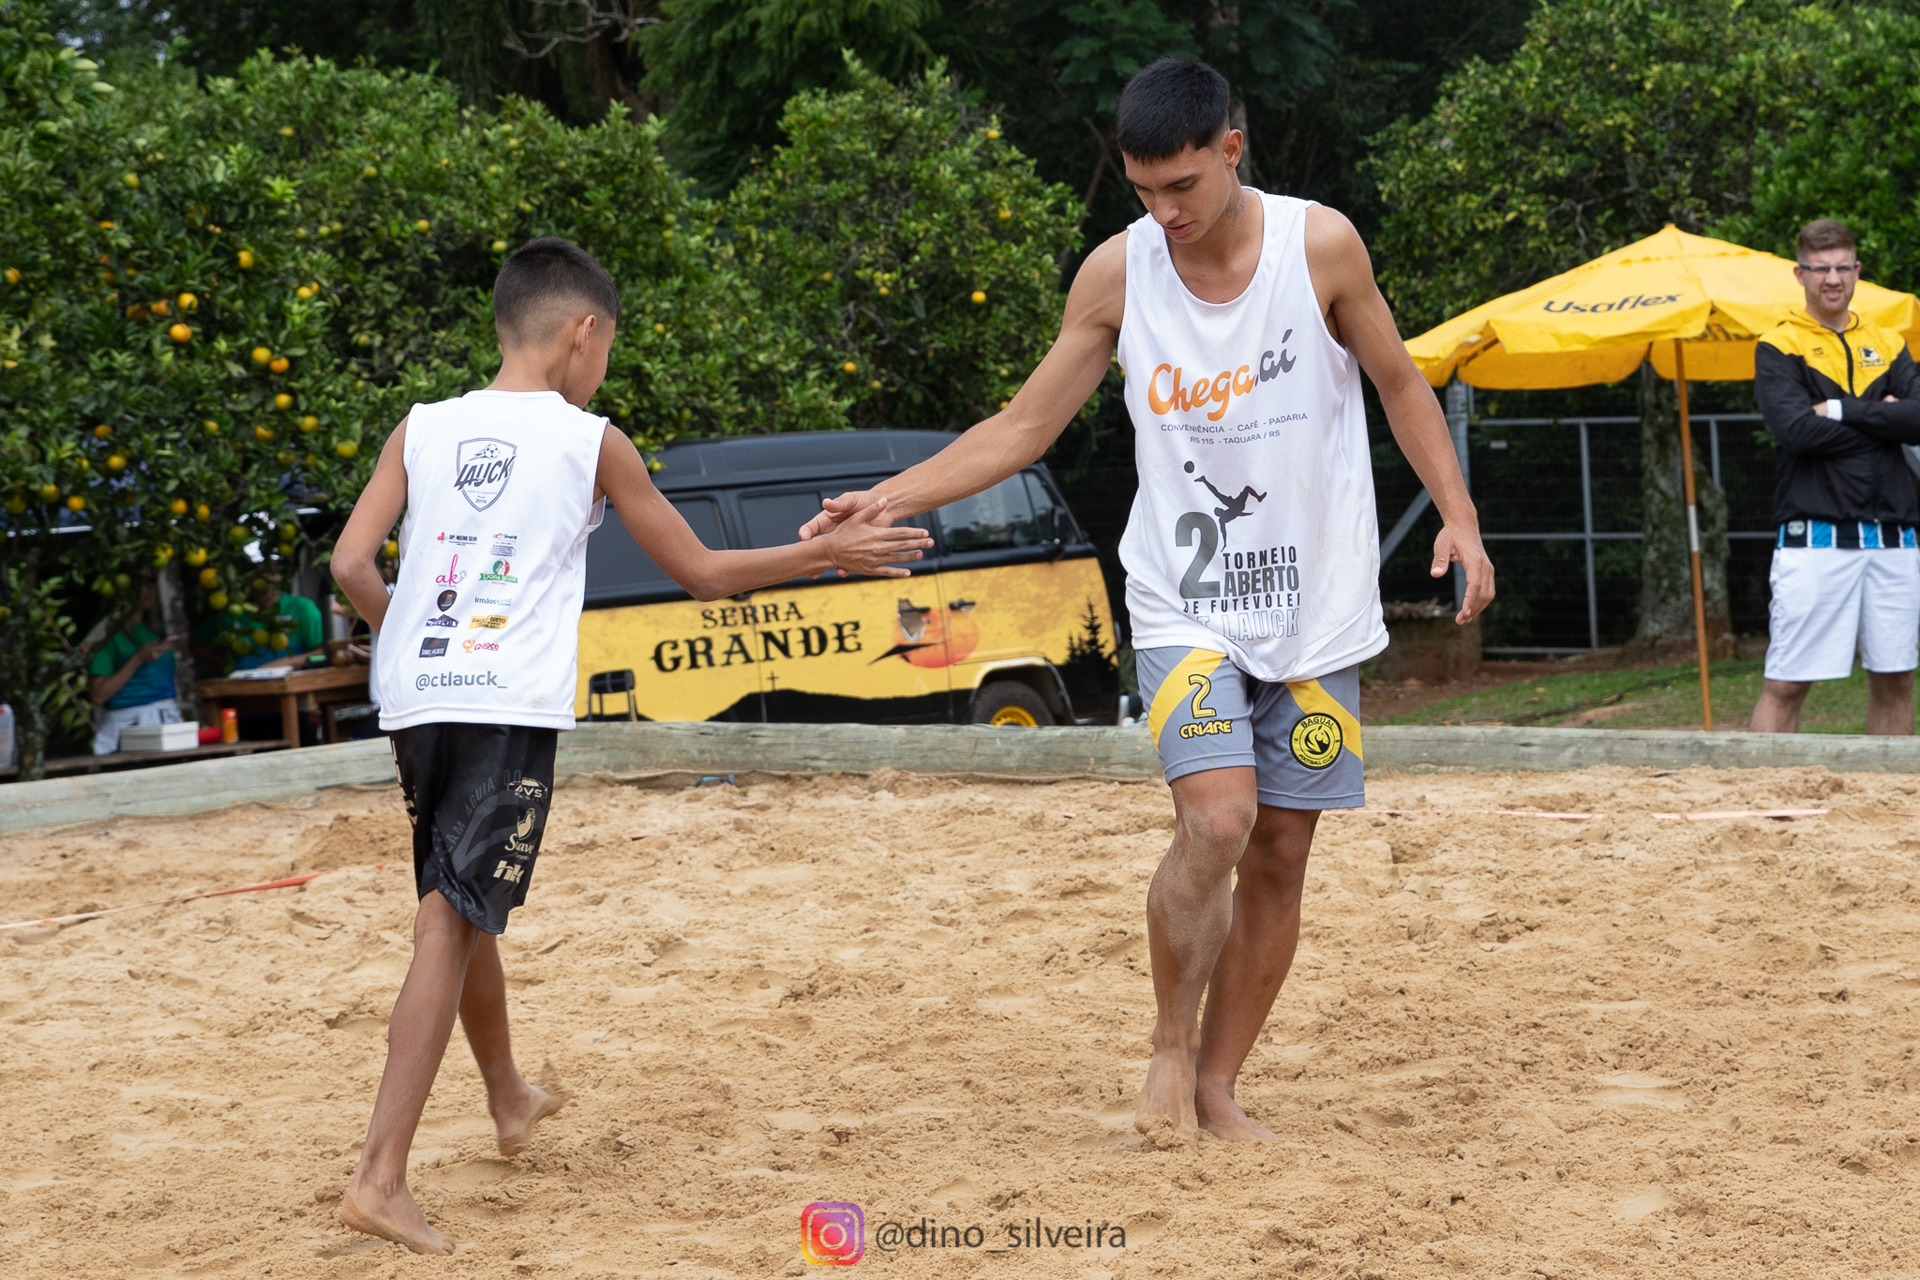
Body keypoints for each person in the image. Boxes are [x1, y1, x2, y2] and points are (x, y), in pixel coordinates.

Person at [799, 59, 1492, 1143]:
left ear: (1231, 148)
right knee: (1218, 820)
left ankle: (1218, 1085)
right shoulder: (1118, 274)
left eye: (1182, 187)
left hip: (1315, 608)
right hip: (1185, 600)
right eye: (1142, 191)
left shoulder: (1320, 246)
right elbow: (1023, 427)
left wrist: (1459, 515)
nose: (1165, 213)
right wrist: (885, 497)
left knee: (1282, 853)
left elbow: (1400, 381)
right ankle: (1170, 1045)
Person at [328, 237, 931, 1253]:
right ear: (584, 332)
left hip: (416, 694)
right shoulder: (591, 440)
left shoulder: (421, 426)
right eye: (607, 347)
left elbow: (352, 562)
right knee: (447, 921)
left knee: (457, 898)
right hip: (502, 701)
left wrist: (406, 642)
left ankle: (508, 1095)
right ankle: (380, 1177)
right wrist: (828, 551)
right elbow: (702, 574)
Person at [1750, 218, 1920, 735]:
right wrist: (1884, 420)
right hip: (1815, 539)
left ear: (1857, 270)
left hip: (1895, 539)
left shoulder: (1888, 342)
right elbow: (1797, 432)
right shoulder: (1778, 345)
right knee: (1786, 683)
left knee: (1896, 679)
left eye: (1843, 268)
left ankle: (1887, 789)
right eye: (1821, 269)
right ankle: (1756, 785)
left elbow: (1917, 419)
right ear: (1799, 273)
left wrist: (1841, 411)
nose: (1833, 279)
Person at [87, 580, 184, 754]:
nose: (148, 589)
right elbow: (98, 696)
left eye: (151, 582)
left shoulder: (158, 628)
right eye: (140, 581)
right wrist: (137, 659)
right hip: (127, 731)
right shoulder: (102, 631)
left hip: (168, 725)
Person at [192, 567, 325, 672]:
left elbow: (324, 651)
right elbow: (195, 644)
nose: (266, 582)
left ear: (281, 576)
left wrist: (287, 663)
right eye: (258, 575)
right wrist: (228, 664)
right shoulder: (233, 613)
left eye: (271, 573)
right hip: (242, 688)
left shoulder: (301, 607)